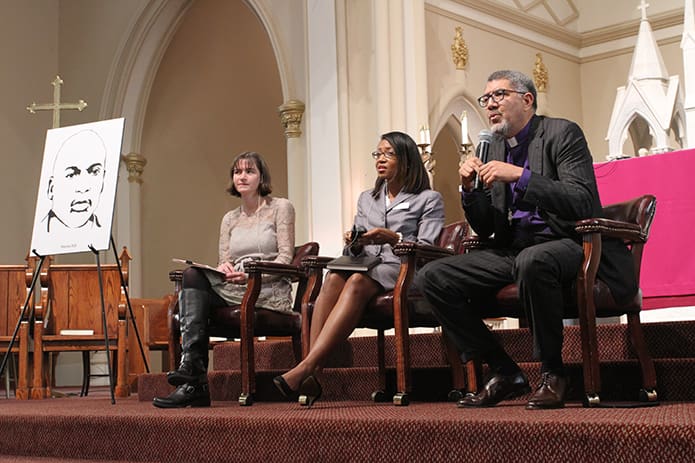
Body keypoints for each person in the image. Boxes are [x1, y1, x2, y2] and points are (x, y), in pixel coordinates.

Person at [416, 70, 637, 410]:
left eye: (498, 96)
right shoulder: (494, 148)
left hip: (570, 241)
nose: (490, 105)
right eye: (485, 99)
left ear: (527, 99)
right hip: (513, 248)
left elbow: (580, 201)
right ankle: (504, 371)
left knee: (534, 260)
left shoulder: (562, 133)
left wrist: (522, 177)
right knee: (433, 277)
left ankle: (553, 373)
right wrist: (469, 189)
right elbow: (486, 227)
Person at [273, 131, 444, 406]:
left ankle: (308, 367)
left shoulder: (428, 198)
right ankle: (310, 370)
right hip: (366, 264)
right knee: (332, 278)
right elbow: (356, 246)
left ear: (407, 159)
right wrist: (354, 242)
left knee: (355, 282)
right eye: (378, 154)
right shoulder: (368, 198)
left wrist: (394, 238)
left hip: (403, 269)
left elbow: (425, 247)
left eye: (388, 153)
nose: (380, 159)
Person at [153, 151, 295, 408]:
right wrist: (224, 268)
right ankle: (193, 368)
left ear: (261, 177)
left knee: (196, 295)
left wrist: (251, 272)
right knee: (192, 274)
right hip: (234, 287)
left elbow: (286, 259)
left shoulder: (280, 208)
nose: (242, 176)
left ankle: (193, 382)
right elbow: (224, 260)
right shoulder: (229, 219)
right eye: (237, 171)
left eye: (249, 171)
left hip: (266, 288)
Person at [43, 129, 107, 233]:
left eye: (94, 172)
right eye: (71, 174)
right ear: (51, 188)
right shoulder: (40, 236)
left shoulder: (103, 232)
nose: (83, 188)